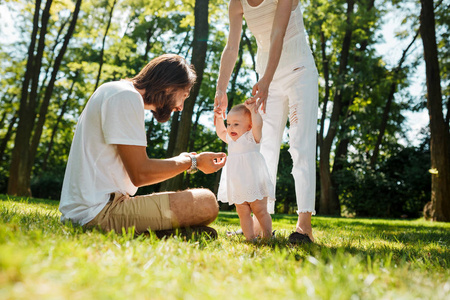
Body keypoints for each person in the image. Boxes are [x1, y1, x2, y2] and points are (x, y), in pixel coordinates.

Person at [59, 54, 227, 238]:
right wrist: (192, 161)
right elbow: (140, 173)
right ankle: (147, 233)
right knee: (206, 203)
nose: (181, 107)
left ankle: (154, 234)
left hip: (95, 208)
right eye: (184, 96)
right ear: (169, 86)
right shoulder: (125, 96)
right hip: (96, 213)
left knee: (203, 218)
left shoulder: (115, 91)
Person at [215, 0, 319, 243]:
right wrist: (221, 88)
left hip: (299, 71)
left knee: (301, 146)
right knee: (261, 147)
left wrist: (267, 79)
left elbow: (278, 33)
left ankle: (304, 227)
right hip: (266, 77)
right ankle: (261, 223)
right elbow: (232, 47)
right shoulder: (237, 3)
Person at [214, 101, 274, 240]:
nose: (230, 127)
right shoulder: (231, 140)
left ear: (249, 125)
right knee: (242, 212)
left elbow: (258, 124)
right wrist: (218, 118)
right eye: (229, 124)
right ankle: (250, 238)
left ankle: (268, 236)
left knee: (260, 211)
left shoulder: (252, 138)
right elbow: (221, 131)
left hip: (255, 183)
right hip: (238, 185)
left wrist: (253, 111)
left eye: (236, 124)